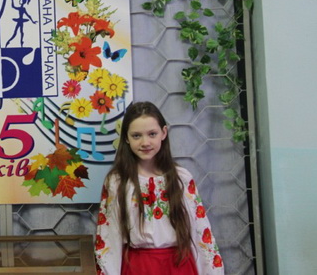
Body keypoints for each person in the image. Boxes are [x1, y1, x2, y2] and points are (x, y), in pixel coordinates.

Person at [95, 101, 223, 274]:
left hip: (180, 265)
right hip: (138, 267)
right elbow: (109, 236)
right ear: (126, 138)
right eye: (136, 136)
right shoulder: (117, 182)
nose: (145, 142)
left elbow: (200, 230)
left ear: (163, 133)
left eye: (152, 134)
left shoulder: (182, 178)